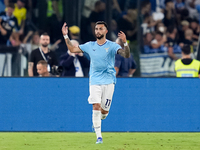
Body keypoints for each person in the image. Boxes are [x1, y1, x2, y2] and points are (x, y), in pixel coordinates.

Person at [61, 21, 130, 144]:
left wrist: (125, 42)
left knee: (104, 112)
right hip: (95, 80)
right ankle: (99, 137)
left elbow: (126, 55)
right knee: (95, 105)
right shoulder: (89, 45)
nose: (98, 31)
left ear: (106, 31)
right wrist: (66, 36)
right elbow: (72, 48)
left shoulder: (112, 46)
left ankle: (98, 120)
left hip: (109, 80)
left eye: (100, 29)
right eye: (96, 29)